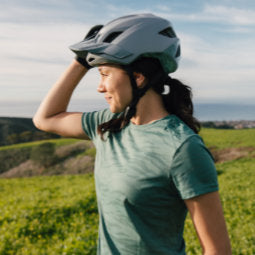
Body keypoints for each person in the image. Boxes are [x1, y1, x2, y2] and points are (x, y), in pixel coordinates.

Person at [33, 13, 232, 255]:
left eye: (105, 74)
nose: (100, 87)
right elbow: (44, 119)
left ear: (138, 77)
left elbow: (217, 250)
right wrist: (80, 62)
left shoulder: (183, 149)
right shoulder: (108, 123)